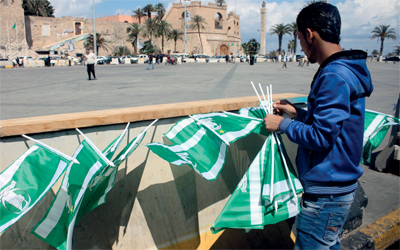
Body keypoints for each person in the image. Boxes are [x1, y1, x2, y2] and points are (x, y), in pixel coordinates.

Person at [263, 2, 373, 249]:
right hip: (336, 189)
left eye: (300, 39)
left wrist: (283, 124)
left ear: (310, 35)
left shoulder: (333, 75)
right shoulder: (345, 70)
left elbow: (322, 137)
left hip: (327, 194)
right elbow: (333, 126)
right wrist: (298, 113)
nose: (301, 47)